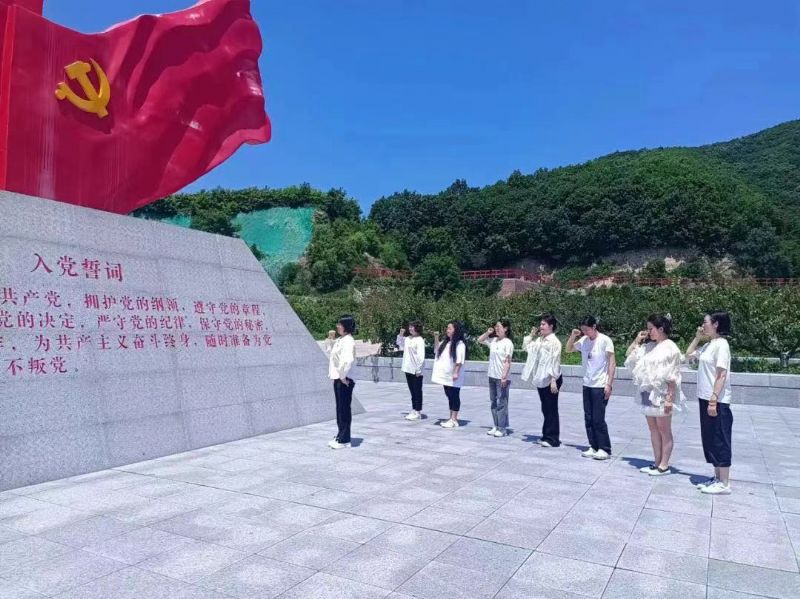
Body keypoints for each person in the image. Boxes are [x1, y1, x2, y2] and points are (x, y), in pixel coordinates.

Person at [625, 313, 685, 475]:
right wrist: (637, 340)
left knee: (664, 429)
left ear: (661, 329)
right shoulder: (650, 346)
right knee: (653, 429)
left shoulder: (670, 347)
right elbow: (630, 357)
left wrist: (669, 398)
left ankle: (664, 464)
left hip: (662, 394)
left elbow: (673, 375)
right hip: (647, 392)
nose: (648, 332)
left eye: (651, 329)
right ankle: (657, 461)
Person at [686, 311, 734, 494]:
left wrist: (714, 398)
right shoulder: (708, 345)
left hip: (717, 400)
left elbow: (721, 374)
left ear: (716, 324)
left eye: (705, 322)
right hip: (705, 397)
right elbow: (688, 355)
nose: (702, 325)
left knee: (720, 439)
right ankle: (717, 477)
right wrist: (697, 338)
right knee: (710, 439)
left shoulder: (722, 345)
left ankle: (724, 483)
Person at [567, 315, 616, 460]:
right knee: (588, 417)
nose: (585, 332)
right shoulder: (584, 340)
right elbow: (568, 349)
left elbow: (612, 363)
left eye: (587, 329)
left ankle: (604, 448)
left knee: (598, 418)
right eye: (583, 330)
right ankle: (593, 446)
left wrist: (609, 384)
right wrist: (573, 336)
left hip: (600, 385)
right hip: (587, 384)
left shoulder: (605, 340)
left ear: (594, 327)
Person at [521, 314, 563, 447]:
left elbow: (555, 361)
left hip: (551, 379)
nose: (541, 327)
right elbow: (527, 347)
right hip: (541, 377)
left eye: (543, 324)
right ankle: (546, 435)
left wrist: (553, 380)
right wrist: (531, 335)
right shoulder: (540, 340)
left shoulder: (554, 342)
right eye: (541, 324)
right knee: (545, 408)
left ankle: (553, 439)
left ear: (551, 326)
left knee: (551, 409)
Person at [478, 319, 514, 437]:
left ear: (505, 329)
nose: (496, 328)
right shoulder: (493, 340)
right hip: (492, 375)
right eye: (496, 326)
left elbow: (508, 361)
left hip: (501, 377)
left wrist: (504, 377)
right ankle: (496, 425)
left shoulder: (508, 343)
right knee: (493, 402)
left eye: (499, 326)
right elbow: (480, 340)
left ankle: (502, 428)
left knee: (502, 402)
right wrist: (488, 333)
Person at [328, 315, 357, 449]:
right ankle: (341, 435)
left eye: (340, 324)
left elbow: (347, 360)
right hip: (339, 377)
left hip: (344, 379)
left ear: (346, 326)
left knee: (344, 409)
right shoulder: (341, 339)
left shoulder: (348, 341)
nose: (337, 326)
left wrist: (343, 376)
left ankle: (344, 439)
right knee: (340, 408)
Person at [431, 321, 467, 428]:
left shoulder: (460, 344)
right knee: (449, 396)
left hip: (454, 375)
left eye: (450, 328)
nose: (447, 330)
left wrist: (456, 372)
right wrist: (436, 337)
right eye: (447, 328)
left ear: (456, 330)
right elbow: (436, 350)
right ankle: (451, 417)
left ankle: (454, 419)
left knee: (454, 396)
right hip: (446, 375)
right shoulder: (446, 342)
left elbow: (459, 360)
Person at [396, 321, 426, 421]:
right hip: (408, 368)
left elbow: (421, 356)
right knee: (412, 391)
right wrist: (401, 334)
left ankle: (418, 411)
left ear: (417, 328)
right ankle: (414, 409)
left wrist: (418, 369)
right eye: (410, 327)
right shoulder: (408, 338)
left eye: (412, 327)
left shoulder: (419, 340)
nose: (410, 328)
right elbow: (400, 344)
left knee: (417, 391)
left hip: (416, 370)